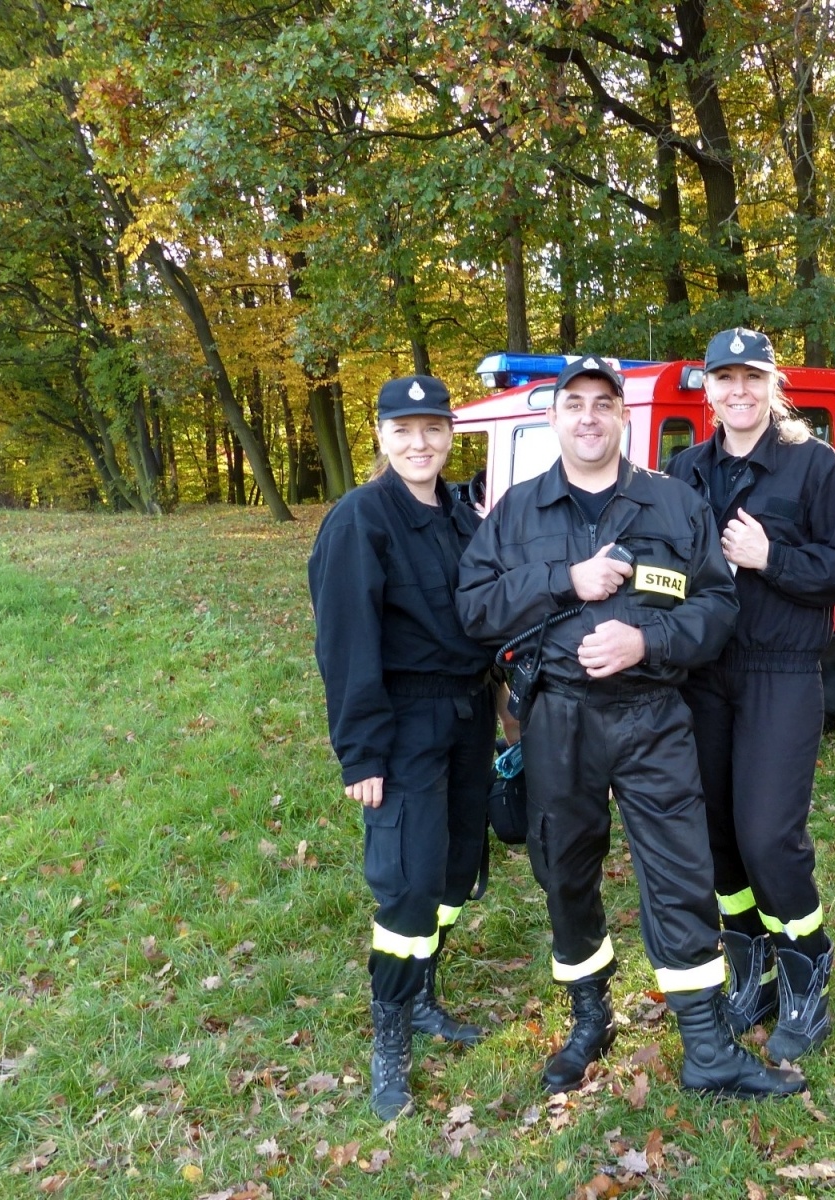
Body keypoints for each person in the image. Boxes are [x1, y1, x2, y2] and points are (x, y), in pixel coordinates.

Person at [455, 355, 804, 1098]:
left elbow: (717, 607)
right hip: (557, 720)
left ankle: (707, 1046)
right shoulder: (515, 511)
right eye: (574, 403)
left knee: (681, 871)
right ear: (554, 418)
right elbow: (474, 609)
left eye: (603, 404)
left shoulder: (675, 506)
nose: (588, 417)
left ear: (623, 416)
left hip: (653, 716)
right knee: (565, 870)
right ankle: (591, 1019)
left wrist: (649, 641)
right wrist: (563, 580)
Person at [667, 328, 835, 1063]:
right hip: (702, 675)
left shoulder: (812, 466)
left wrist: (771, 557)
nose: (739, 392)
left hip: (781, 672)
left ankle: (807, 971)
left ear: (771, 385)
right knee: (719, 840)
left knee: (768, 838)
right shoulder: (684, 471)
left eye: (752, 378)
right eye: (725, 380)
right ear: (709, 389)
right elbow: (661, 565)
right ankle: (748, 973)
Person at [308, 374, 499, 1120]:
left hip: (468, 713)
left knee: (454, 871)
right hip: (405, 719)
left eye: (433, 428)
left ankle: (422, 995)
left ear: (450, 433)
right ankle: (390, 1039)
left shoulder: (457, 514)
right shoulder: (361, 519)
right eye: (403, 430)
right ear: (379, 436)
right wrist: (362, 753)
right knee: (407, 885)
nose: (419, 443)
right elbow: (346, 641)